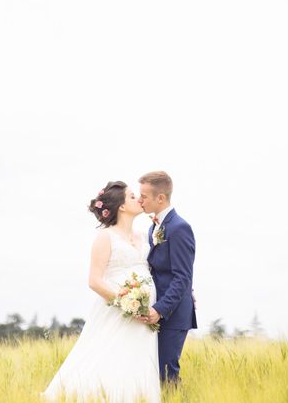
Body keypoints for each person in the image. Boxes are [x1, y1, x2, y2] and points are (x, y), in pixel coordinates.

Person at [42, 181, 161, 403]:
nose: (139, 199)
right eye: (132, 196)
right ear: (122, 206)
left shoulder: (144, 235)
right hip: (118, 311)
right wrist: (126, 304)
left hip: (145, 316)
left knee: (137, 361)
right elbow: (94, 281)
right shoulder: (105, 237)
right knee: (109, 356)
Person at [137, 171, 197, 384]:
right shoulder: (154, 227)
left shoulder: (179, 228)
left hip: (172, 315)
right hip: (157, 311)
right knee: (153, 374)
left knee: (166, 374)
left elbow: (182, 277)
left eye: (144, 196)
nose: (139, 200)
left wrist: (160, 309)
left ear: (160, 198)